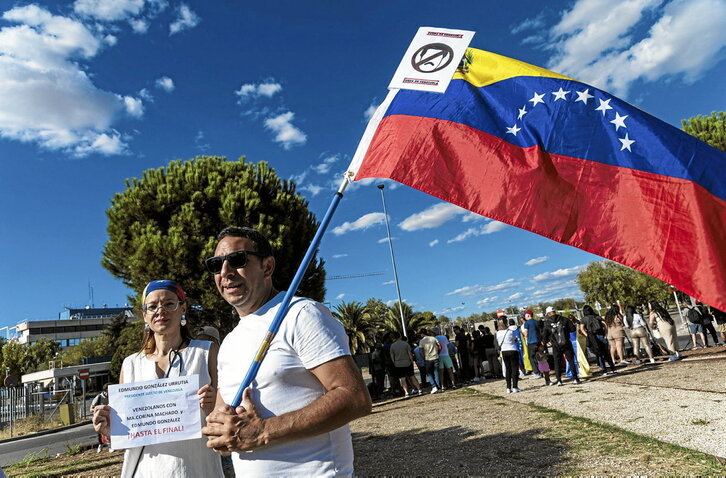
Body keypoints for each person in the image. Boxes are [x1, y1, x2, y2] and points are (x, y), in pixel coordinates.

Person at [201, 226, 371, 476]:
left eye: (237, 260)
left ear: (267, 267)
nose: (225, 272)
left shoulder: (301, 314)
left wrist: (264, 431)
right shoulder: (229, 341)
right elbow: (222, 416)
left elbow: (354, 397)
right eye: (216, 265)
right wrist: (222, 433)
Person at [92, 280, 223, 478]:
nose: (160, 311)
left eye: (169, 304)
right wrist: (111, 430)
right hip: (145, 471)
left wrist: (213, 407)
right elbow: (127, 435)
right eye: (152, 306)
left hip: (196, 469)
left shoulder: (206, 353)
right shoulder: (131, 364)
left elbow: (227, 416)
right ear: (145, 314)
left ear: (183, 308)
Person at [542, 306, 581, 386]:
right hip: (566, 342)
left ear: (548, 313)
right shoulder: (564, 319)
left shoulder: (547, 323)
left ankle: (559, 380)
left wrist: (546, 342)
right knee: (571, 361)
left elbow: (545, 335)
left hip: (556, 345)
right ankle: (575, 378)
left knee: (557, 362)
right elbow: (572, 329)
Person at [580, 305, 617, 374]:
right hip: (601, 335)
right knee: (606, 352)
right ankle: (612, 368)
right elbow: (605, 324)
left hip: (592, 337)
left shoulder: (584, 319)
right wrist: (606, 334)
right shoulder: (597, 317)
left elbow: (581, 329)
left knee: (598, 353)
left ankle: (604, 370)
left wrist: (587, 335)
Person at [389, 332, 422, 397]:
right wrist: (411, 361)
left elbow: (392, 356)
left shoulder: (392, 346)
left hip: (398, 364)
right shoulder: (405, 344)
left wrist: (394, 363)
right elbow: (409, 354)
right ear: (400, 336)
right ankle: (419, 389)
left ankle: (406, 392)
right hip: (407, 363)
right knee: (412, 376)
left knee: (403, 379)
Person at [495, 317, 521, 393]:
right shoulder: (510, 331)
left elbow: (499, 343)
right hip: (512, 350)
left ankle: (508, 387)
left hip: (504, 351)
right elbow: (514, 339)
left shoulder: (498, 333)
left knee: (508, 369)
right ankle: (515, 387)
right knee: (514, 369)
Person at [419, 329, 441, 393]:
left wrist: (424, 357)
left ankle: (434, 386)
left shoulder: (421, 341)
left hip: (428, 358)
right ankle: (438, 386)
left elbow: (421, 351)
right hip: (435, 357)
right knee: (436, 372)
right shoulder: (433, 338)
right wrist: (437, 353)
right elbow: (439, 347)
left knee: (429, 373)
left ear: (422, 334)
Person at [521, 310, 541, 379]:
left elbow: (525, 333)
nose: (524, 317)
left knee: (532, 357)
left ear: (528, 315)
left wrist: (525, 336)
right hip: (538, 341)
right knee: (540, 357)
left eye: (525, 315)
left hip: (531, 342)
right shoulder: (537, 322)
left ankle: (536, 372)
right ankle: (543, 371)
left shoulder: (527, 323)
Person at [90, 384, 109, 452]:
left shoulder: (113, 396)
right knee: (100, 431)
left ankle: (111, 445)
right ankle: (100, 444)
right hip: (101, 417)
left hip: (109, 417)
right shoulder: (99, 397)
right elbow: (91, 409)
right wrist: (99, 409)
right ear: (105, 391)